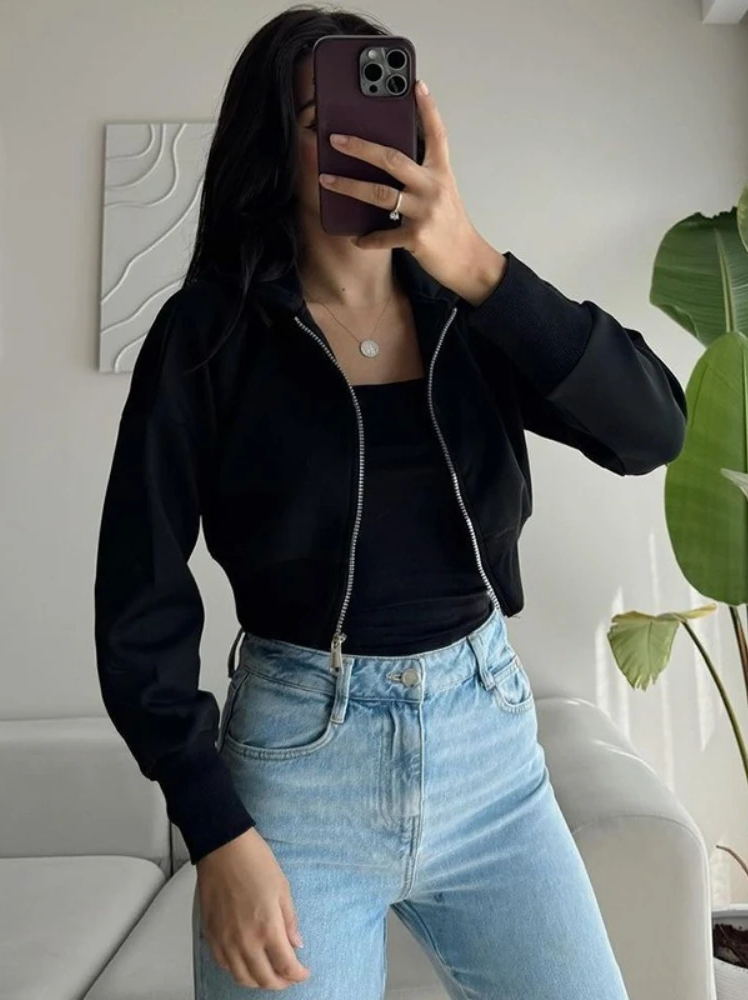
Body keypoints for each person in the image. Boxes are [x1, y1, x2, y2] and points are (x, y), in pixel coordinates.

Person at [93, 4, 687, 997]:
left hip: (491, 755)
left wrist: (480, 266)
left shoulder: (476, 311)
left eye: (387, 109)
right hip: (297, 770)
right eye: (321, 119)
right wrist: (215, 828)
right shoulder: (209, 334)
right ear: (272, 151)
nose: (363, 139)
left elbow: (653, 430)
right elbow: (137, 591)